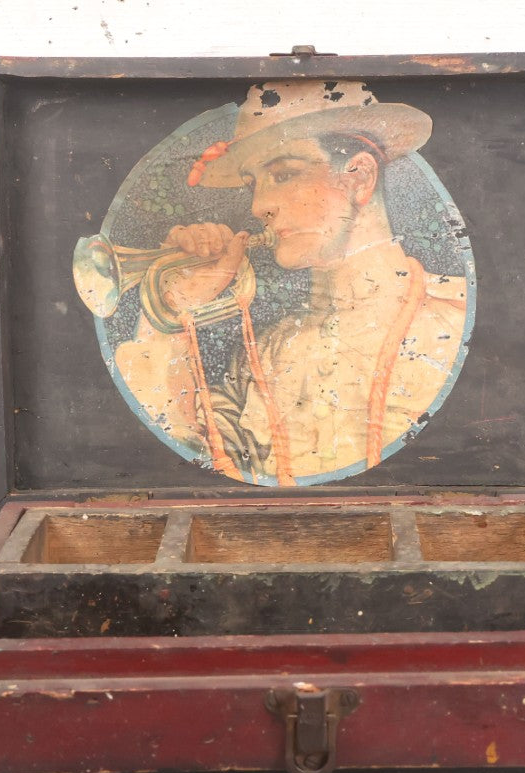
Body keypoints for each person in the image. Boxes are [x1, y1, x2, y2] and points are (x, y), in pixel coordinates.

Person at [113, 81, 468, 485]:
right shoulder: (266, 353)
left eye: (283, 174)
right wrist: (173, 310)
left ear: (358, 178)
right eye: (253, 184)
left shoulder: (455, 318)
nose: (258, 206)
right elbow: (192, 466)